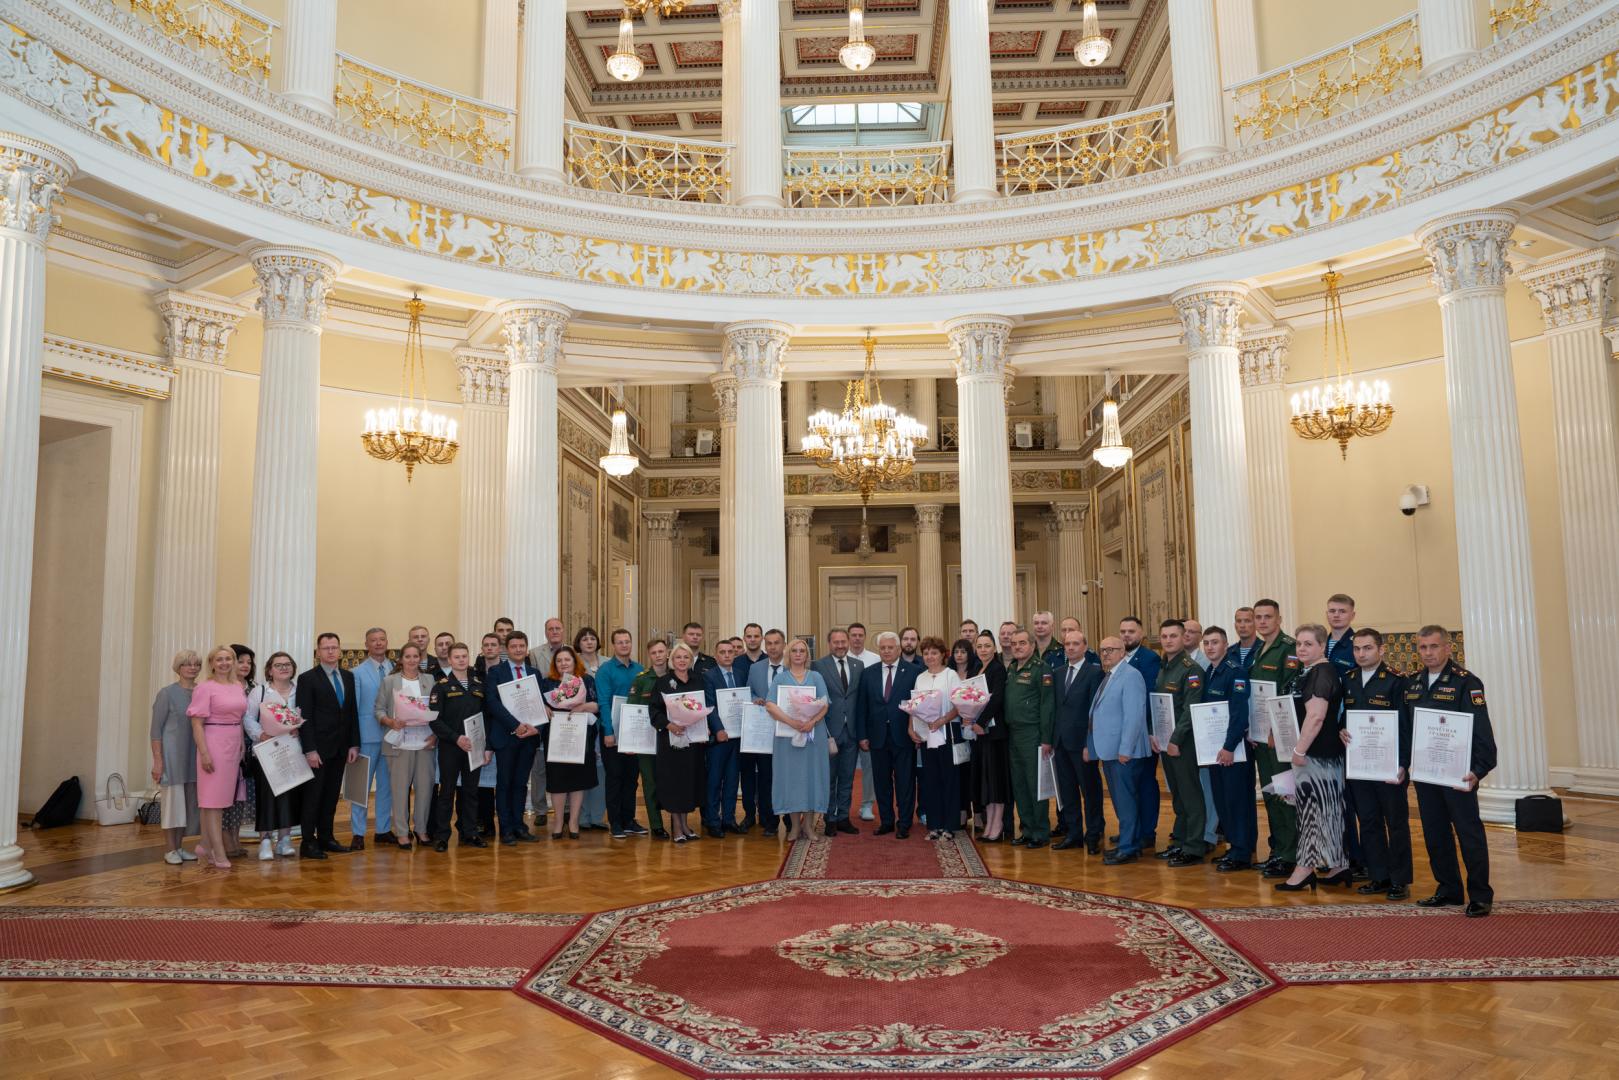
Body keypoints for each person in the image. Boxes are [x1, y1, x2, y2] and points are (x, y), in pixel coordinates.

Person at [1404, 626, 1496, 917]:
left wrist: (1478, 770)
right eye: (1423, 647)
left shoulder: (1466, 682)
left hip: (1459, 774)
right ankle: (1448, 889)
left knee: (1469, 833)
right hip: (1427, 773)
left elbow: (1482, 730)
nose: (1428, 653)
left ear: (1447, 648)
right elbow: (1407, 729)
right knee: (1435, 833)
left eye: (1434, 646)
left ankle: (1480, 895)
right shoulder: (1413, 683)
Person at [1275, 624, 1351, 892]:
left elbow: (1316, 716)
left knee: (1311, 812)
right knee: (1327, 810)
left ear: (1322, 646)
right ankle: (1338, 865)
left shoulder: (1322, 673)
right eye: (1299, 644)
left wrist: (1299, 751)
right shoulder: (1310, 671)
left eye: (1308, 644)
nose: (1301, 648)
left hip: (1316, 754)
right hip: (1318, 752)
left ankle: (1304, 870)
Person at [1340, 628, 1412, 900]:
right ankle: (1378, 875)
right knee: (1368, 821)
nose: (1361, 654)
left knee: (1396, 823)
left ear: (1381, 650)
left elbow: (1405, 726)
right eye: (1357, 649)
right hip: (1359, 765)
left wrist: (1403, 763)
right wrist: (1340, 730)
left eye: (1367, 648)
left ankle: (1400, 880)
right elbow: (1343, 717)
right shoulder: (1348, 679)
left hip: (1389, 766)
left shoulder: (1396, 681)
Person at [294, 633, 361, 859]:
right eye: (326, 648)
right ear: (318, 652)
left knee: (332, 796)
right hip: (318, 750)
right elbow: (305, 717)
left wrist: (354, 744)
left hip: (341, 748)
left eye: (334, 647)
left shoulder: (348, 677)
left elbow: (351, 713)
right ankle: (308, 842)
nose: (331, 651)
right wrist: (310, 749)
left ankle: (326, 837)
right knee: (313, 797)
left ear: (340, 650)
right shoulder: (307, 678)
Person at [1248, 599, 1300, 877]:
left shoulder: (1288, 648)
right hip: (1261, 736)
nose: (1262, 621)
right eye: (1258, 617)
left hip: (1278, 737)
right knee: (1270, 794)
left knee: (1284, 795)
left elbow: (1289, 691)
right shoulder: (1259, 650)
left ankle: (1290, 855)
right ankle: (1278, 850)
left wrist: (1274, 730)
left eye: (1268, 617)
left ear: (1279, 619)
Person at [1198, 628, 1256, 872]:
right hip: (1215, 750)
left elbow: (1239, 714)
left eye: (1215, 642)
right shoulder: (1210, 672)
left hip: (1233, 750)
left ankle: (1242, 852)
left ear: (1225, 645)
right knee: (1222, 801)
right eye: (1206, 643)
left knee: (1237, 801)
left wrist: (1229, 746)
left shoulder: (1235, 671)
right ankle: (1234, 847)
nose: (1210, 647)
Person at [1090, 637, 1150, 865]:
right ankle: (1130, 842)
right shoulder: (1109, 675)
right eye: (1102, 650)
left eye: (1111, 649)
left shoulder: (1131, 675)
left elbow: (1134, 716)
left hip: (1124, 752)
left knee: (1126, 801)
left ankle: (1128, 848)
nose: (1106, 654)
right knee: (1120, 800)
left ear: (1123, 651)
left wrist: (1126, 749)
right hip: (1109, 750)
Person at [187, 646, 248, 871]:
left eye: (228, 659)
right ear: (212, 663)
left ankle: (205, 845)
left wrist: (241, 742)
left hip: (232, 743)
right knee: (212, 802)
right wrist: (204, 753)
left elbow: (239, 718)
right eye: (219, 659)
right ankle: (218, 851)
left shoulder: (237, 685)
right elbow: (196, 724)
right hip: (212, 743)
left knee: (218, 801)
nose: (224, 663)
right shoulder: (205, 687)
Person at [853, 631, 919, 839]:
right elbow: (861, 707)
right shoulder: (868, 673)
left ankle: (904, 823)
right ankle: (887, 821)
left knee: (905, 782)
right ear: (879, 650)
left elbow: (918, 705)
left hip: (904, 736)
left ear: (898, 649)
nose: (887, 651)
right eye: (883, 648)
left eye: (891, 647)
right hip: (877, 737)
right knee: (881, 783)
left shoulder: (914, 672)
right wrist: (862, 735)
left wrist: (917, 731)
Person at [1155, 620, 1208, 867]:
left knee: (1190, 794)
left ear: (1183, 637)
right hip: (1166, 742)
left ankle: (1194, 847)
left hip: (1183, 743)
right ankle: (1180, 841)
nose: (1168, 640)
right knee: (1177, 795)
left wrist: (1176, 739)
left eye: (1173, 636)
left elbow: (1190, 709)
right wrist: (1155, 734)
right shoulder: (1164, 667)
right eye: (1164, 636)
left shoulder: (1191, 669)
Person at [768, 638, 832, 842]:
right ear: (788, 654)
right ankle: (795, 827)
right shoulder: (780, 678)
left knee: (812, 777)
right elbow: (770, 705)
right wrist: (792, 722)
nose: (798, 654)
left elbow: (825, 704)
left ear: (807, 655)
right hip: (788, 737)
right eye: (794, 650)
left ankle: (809, 826)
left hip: (813, 736)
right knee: (792, 779)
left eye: (802, 651)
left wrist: (811, 722)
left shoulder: (816, 677)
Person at [484, 630, 544, 845]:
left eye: (521, 646)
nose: (518, 649)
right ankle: (506, 829)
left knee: (521, 784)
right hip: (506, 736)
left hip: (529, 737)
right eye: (513, 646)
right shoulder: (495, 672)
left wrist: (536, 728)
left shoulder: (534, 673)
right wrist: (515, 725)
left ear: (526, 649)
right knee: (505, 784)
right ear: (506, 650)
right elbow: (492, 703)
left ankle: (519, 826)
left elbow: (540, 704)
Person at [375, 643, 437, 850]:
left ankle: (421, 829)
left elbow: (439, 709)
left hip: (425, 743)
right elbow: (378, 710)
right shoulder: (389, 681)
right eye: (407, 656)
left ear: (420, 658)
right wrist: (390, 721)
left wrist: (436, 735)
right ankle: (402, 833)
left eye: (415, 656)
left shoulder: (430, 680)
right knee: (400, 790)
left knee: (425, 789)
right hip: (399, 744)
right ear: (401, 659)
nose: (412, 660)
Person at [428, 643, 489, 851]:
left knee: (471, 791)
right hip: (451, 747)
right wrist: (456, 738)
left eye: (464, 656)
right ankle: (442, 836)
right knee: (447, 791)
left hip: (474, 746)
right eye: (457, 657)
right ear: (450, 660)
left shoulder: (479, 684)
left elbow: (486, 717)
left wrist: (485, 745)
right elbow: (434, 720)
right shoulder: (441, 686)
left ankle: (469, 833)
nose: (461, 660)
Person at [243, 650, 303, 859]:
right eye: (278, 665)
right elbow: (248, 718)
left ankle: (284, 840)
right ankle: (265, 841)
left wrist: (299, 729)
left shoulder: (300, 691)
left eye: (287, 664)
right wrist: (261, 734)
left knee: (289, 797)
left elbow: (308, 717)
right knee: (266, 797)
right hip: (266, 751)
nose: (283, 668)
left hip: (292, 751)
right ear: (270, 670)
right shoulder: (259, 691)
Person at [1050, 628, 1104, 853]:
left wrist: (1088, 744)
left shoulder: (1095, 672)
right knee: (1067, 791)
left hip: (1082, 745)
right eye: (1067, 644)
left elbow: (1095, 712)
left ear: (1085, 647)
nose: (1071, 648)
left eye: (1075, 644)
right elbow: (1055, 708)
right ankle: (1073, 834)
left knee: (1090, 792)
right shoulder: (1058, 673)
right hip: (1061, 743)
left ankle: (1093, 835)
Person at [539, 645, 600, 840]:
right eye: (559, 660)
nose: (563, 663)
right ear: (554, 664)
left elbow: (596, 705)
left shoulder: (586, 680)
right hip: (556, 738)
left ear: (575, 661)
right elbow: (538, 705)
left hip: (580, 736)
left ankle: (573, 822)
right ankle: (558, 822)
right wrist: (544, 708)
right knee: (557, 780)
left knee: (577, 780)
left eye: (567, 659)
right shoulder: (548, 682)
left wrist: (583, 706)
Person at [648, 642, 707, 843]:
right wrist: (669, 725)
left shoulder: (698, 680)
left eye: (686, 657)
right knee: (674, 783)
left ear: (691, 660)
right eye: (678, 657)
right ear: (672, 660)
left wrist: (705, 725)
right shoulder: (663, 682)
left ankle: (685, 825)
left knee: (688, 782)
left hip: (692, 741)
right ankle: (677, 827)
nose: (682, 660)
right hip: (671, 741)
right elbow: (654, 710)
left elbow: (703, 707)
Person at [906, 636, 962, 843]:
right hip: (926, 734)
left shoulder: (951, 675)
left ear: (942, 655)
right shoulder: (920, 677)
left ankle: (949, 825)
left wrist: (942, 720)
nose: (930, 656)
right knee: (930, 780)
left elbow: (959, 705)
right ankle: (934, 824)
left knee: (949, 779)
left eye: (934, 653)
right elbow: (914, 704)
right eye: (926, 653)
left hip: (947, 732)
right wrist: (911, 727)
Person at [1005, 629, 1056, 848]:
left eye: (1022, 643)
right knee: (1020, 784)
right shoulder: (1012, 669)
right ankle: (1026, 828)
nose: (1017, 647)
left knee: (1035, 784)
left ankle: (1040, 832)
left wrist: (1046, 739)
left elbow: (1047, 705)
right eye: (1014, 643)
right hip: (1013, 734)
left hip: (1032, 734)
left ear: (1032, 646)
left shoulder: (1041, 669)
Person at [149, 649, 201, 864]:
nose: (192, 668)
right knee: (172, 806)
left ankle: (179, 847)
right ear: (178, 668)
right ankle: (169, 849)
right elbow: (155, 731)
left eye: (196, 664)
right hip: (173, 758)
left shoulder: (201, 692)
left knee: (187, 806)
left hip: (194, 757)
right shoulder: (166, 694)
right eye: (187, 664)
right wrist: (158, 761)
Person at [597, 629, 650, 839]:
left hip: (634, 731)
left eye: (627, 641)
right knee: (615, 777)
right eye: (620, 642)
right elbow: (603, 702)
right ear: (613, 645)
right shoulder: (605, 670)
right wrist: (608, 731)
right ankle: (615, 822)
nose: (624, 645)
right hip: (613, 731)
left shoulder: (640, 669)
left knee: (631, 778)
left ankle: (629, 820)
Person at [813, 628, 864, 835]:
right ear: (829, 643)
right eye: (836, 642)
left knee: (847, 778)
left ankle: (843, 817)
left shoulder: (858, 665)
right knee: (829, 778)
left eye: (843, 641)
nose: (840, 645)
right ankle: (830, 819)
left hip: (851, 732)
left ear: (848, 642)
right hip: (828, 732)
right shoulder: (818, 666)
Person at [348, 627, 395, 850]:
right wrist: (353, 741)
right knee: (360, 787)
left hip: (392, 737)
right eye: (373, 640)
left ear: (387, 642)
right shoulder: (356, 673)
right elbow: (353, 709)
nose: (378, 643)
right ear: (366, 644)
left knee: (386, 787)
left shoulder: (396, 669)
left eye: (382, 639)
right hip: (366, 737)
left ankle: (383, 830)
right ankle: (358, 833)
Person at [1119, 616, 1161, 854]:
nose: (1126, 635)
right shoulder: (1118, 658)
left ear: (1141, 634)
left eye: (1131, 631)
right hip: (1123, 733)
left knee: (1144, 783)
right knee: (1128, 786)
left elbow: (1148, 697)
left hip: (1143, 732)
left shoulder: (1149, 658)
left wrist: (1149, 730)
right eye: (1123, 631)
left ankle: (1146, 832)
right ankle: (1131, 830)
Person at [743, 629, 788, 834]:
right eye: (769, 643)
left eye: (776, 643)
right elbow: (749, 690)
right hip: (763, 732)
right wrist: (755, 699)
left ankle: (790, 820)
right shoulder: (756, 668)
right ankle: (770, 822)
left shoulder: (793, 666)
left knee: (786, 777)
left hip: (787, 729)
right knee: (765, 777)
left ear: (783, 644)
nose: (772, 647)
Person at [627, 640, 671, 838]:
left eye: (661, 651)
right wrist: (631, 741)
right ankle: (656, 825)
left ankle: (677, 823)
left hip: (671, 736)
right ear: (649, 655)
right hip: (646, 738)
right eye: (654, 652)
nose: (658, 655)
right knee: (650, 782)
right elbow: (632, 710)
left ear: (667, 653)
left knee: (671, 780)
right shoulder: (642, 679)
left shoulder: (675, 676)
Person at [702, 638, 745, 837]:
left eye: (730, 652)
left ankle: (729, 819)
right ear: (716, 655)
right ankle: (712, 821)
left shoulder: (741, 674)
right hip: (718, 739)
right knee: (714, 781)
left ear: (735, 654)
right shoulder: (709, 676)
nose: (727, 655)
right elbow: (709, 705)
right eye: (723, 652)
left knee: (732, 780)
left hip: (737, 737)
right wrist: (718, 729)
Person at [972, 631, 1011, 842]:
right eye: (979, 646)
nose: (983, 650)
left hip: (995, 733)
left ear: (994, 648)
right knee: (986, 779)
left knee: (996, 779)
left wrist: (981, 721)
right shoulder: (977, 669)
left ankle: (998, 823)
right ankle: (989, 823)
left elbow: (996, 699)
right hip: (981, 734)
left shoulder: (997, 669)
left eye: (987, 646)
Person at [222, 644, 257, 856]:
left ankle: (235, 839)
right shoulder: (223, 687)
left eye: (249, 662)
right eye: (240, 661)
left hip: (251, 750)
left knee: (242, 796)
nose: (245, 665)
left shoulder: (256, 688)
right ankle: (226, 841)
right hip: (228, 745)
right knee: (227, 794)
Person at [845, 622, 879, 822]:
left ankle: (867, 804)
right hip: (846, 722)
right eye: (853, 635)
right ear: (848, 637)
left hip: (868, 722)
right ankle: (843, 806)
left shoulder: (875, 659)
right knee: (845, 768)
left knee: (869, 767)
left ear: (865, 637)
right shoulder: (840, 659)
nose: (857, 638)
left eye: (860, 635)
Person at [1324, 594, 1358, 675]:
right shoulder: (1319, 644)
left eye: (1342, 611)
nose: (1336, 615)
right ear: (1327, 614)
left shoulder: (1358, 645)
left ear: (1352, 615)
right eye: (1332, 611)